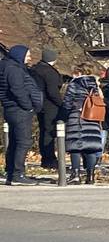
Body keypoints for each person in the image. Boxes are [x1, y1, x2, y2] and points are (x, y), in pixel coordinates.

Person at [59, 64, 108, 183]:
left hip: (77, 116)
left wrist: (62, 117)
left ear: (80, 72)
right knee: (90, 146)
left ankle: (76, 174)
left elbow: (67, 102)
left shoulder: (74, 84)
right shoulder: (95, 85)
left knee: (75, 147)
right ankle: (90, 176)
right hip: (92, 117)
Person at [2, 42, 44, 183]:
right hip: (18, 109)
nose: (30, 58)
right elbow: (17, 89)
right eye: (27, 55)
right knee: (23, 142)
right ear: (19, 56)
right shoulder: (13, 69)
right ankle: (17, 174)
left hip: (12, 108)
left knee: (15, 142)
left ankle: (11, 173)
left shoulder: (7, 66)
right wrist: (28, 106)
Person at [29, 47, 65, 171]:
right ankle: (49, 159)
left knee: (44, 131)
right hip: (50, 105)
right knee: (49, 132)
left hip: (39, 104)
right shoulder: (48, 71)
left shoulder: (35, 69)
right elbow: (52, 91)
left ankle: (46, 157)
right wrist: (61, 104)